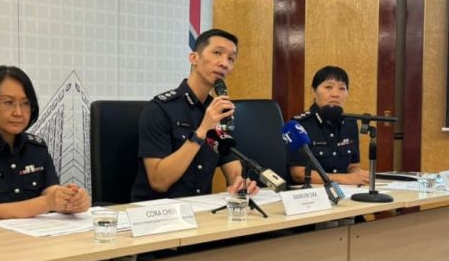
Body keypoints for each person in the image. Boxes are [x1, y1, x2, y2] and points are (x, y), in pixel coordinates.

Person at [0, 65, 91, 221]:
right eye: (8, 102)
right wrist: (47, 202)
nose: (18, 112)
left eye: (25, 103)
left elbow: (51, 192)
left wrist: (72, 199)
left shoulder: (37, 148)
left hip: (33, 233)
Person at [131, 28, 258, 201]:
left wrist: (239, 181)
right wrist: (202, 131)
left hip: (200, 209)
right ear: (194, 58)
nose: (224, 63)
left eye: (231, 59)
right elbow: (159, 182)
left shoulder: (219, 111)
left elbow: (230, 161)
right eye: (217, 53)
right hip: (159, 210)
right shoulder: (159, 109)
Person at [288, 65, 369, 186]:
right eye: (328, 87)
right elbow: (298, 173)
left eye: (342, 88)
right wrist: (345, 179)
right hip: (310, 193)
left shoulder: (350, 124)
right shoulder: (299, 125)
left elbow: (352, 165)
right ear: (314, 92)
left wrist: (357, 176)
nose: (335, 94)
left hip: (344, 191)